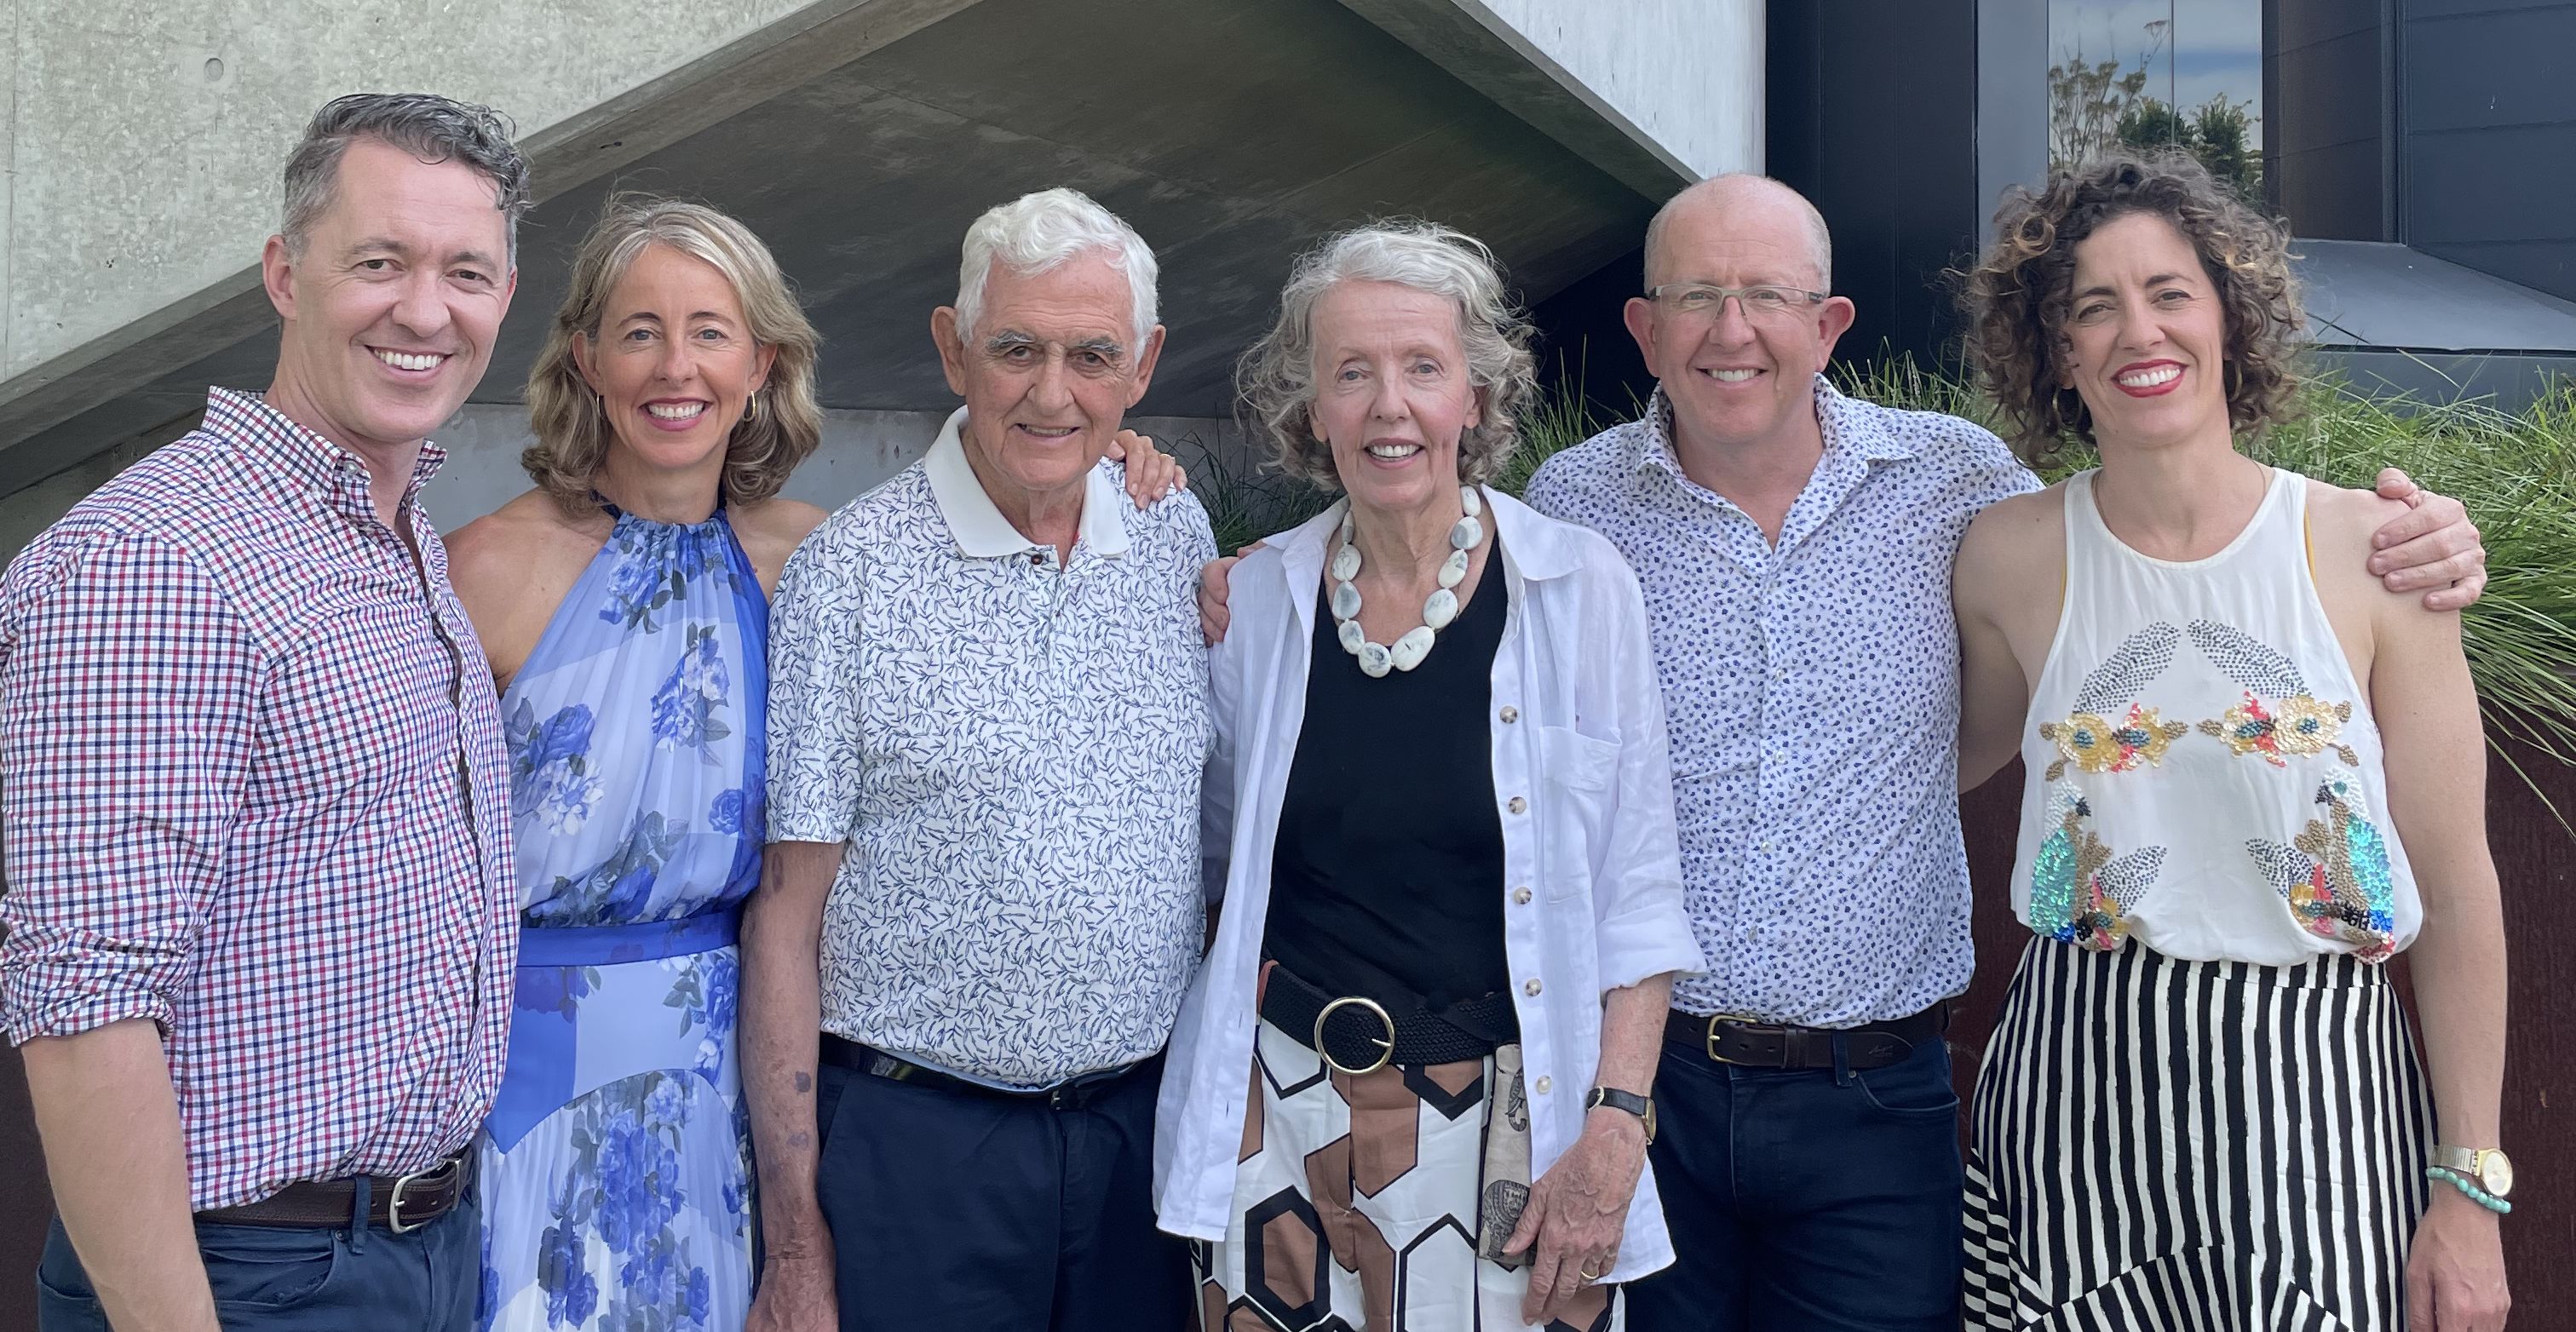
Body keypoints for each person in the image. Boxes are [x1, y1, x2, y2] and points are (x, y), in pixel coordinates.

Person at [1195, 172, 2488, 1330]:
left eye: (1770, 295)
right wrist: (1235, 555)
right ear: (1642, 328)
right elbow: (1411, 537)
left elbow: (2012, 703)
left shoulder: (1962, 492)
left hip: (1880, 1098)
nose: (1733, 329)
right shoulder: (1572, 517)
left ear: (1831, 326)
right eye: (1696, 297)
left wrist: (2430, 539)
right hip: (1643, 1101)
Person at [1951, 152, 2510, 1331]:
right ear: (2053, 351)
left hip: (2325, 1094)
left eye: (2169, 292)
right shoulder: (2005, 557)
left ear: (2230, 312)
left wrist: (2469, 1183)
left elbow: (2458, 892)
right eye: (2090, 306)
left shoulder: (2376, 551)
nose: (2135, 331)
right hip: (2077, 1094)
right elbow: (1931, 763)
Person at [0, 93, 526, 1332]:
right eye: (380, 262)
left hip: (423, 1247)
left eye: (467, 272)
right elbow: (85, 1006)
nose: (425, 311)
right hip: (245, 1277)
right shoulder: (158, 561)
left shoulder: (394, 539)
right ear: (287, 272)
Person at [1156, 221, 1703, 1332]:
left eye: (1421, 368)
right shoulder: (1256, 602)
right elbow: (1208, 855)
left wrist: (1615, 1128)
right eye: (1351, 374)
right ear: (1311, 408)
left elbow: (1639, 896)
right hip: (1280, 1121)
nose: (1387, 406)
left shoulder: (1579, 587)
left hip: (1509, 1126)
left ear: (1475, 396)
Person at [740, 187, 1215, 1332]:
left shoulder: (1173, 536)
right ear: (955, 351)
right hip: (914, 1154)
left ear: (1142, 366)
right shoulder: (849, 573)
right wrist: (796, 1239)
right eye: (1017, 349)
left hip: (1132, 1152)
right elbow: (786, 921)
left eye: (1092, 355)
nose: (1055, 393)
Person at [443, 196, 828, 1332]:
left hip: (731, 1080)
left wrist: (1133, 474)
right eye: (641, 330)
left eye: (710, 330)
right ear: (587, 357)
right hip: (517, 1083)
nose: (677, 366)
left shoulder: (812, 562)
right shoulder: (486, 568)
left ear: (761, 361)